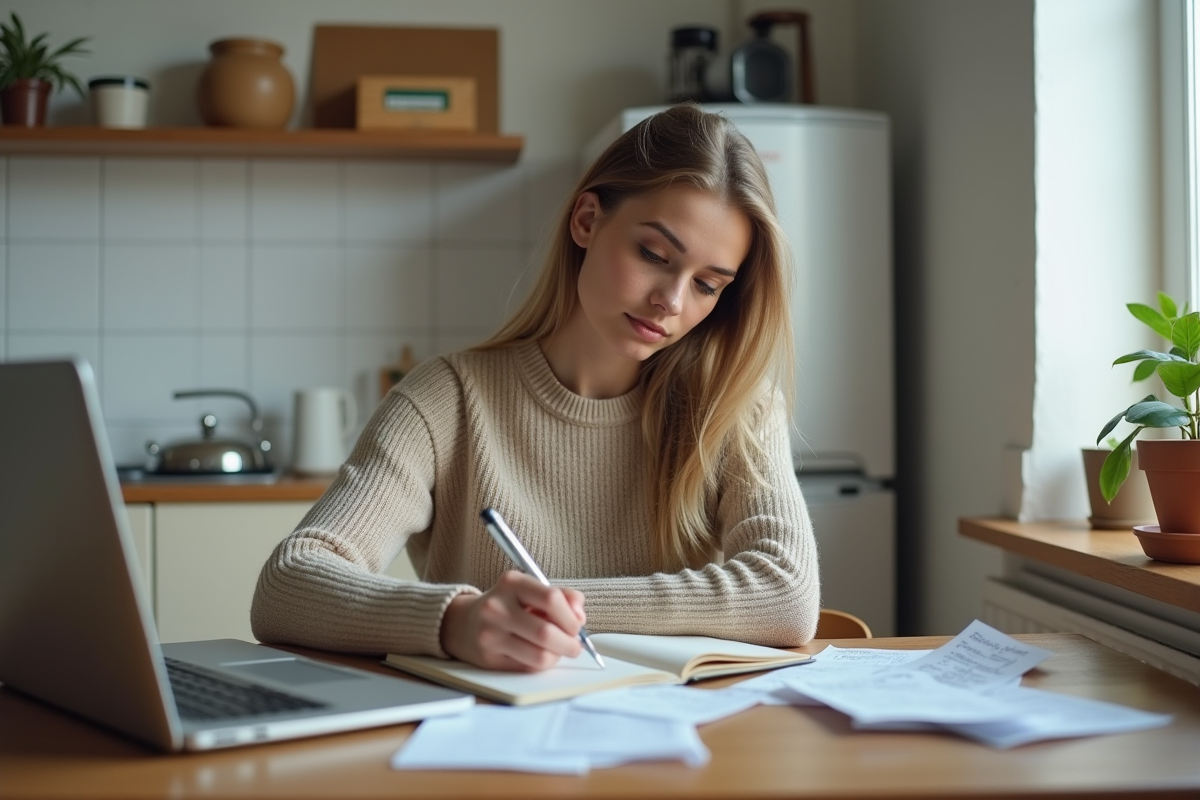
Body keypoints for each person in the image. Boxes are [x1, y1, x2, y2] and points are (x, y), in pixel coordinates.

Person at [251, 103, 820, 672]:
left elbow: (787, 597)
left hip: (671, 738)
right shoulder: (444, 401)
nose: (671, 302)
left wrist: (544, 605)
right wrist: (459, 620)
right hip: (490, 741)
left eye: (707, 284)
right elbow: (289, 583)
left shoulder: (736, 410)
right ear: (586, 221)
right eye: (653, 255)